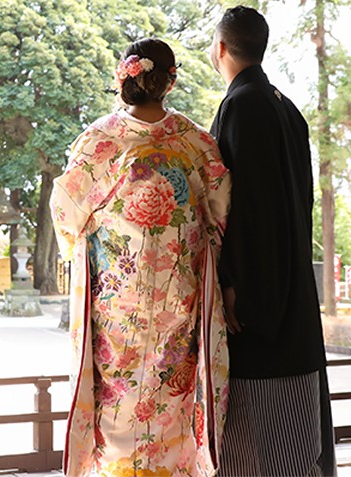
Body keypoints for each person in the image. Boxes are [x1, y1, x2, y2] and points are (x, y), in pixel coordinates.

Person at [50, 38, 231, 477]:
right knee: (173, 400)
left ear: (124, 76)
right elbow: (220, 217)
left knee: (117, 401)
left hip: (117, 305)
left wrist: (79, 250)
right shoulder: (195, 142)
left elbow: (66, 212)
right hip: (178, 300)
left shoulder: (98, 141)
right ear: (170, 80)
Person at [210, 6, 336, 477]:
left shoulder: (243, 105)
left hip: (260, 301)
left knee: (255, 452)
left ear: (221, 48)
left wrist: (235, 283)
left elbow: (250, 207)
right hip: (292, 293)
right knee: (294, 452)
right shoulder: (285, 106)